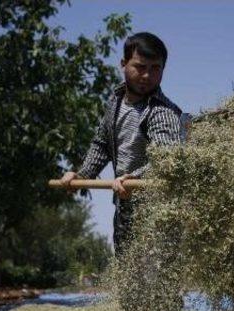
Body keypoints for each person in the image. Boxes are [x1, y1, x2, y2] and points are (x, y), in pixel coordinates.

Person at [59, 32, 184, 255]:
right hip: (125, 209)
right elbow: (102, 144)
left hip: (158, 213)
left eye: (156, 68)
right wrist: (81, 175)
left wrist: (134, 178)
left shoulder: (162, 113)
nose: (147, 75)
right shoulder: (115, 100)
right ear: (123, 64)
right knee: (126, 277)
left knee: (155, 284)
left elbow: (167, 161)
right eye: (140, 67)